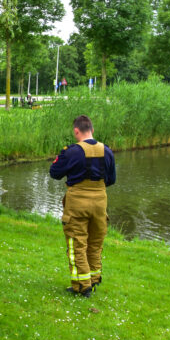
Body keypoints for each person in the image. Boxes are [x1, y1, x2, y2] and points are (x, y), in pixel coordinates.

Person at [49, 115, 116, 297]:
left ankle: (82, 286)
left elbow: (54, 173)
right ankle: (94, 280)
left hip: (77, 202)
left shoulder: (71, 152)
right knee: (95, 244)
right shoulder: (107, 151)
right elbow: (111, 180)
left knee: (76, 244)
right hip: (100, 202)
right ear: (92, 130)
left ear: (76, 131)